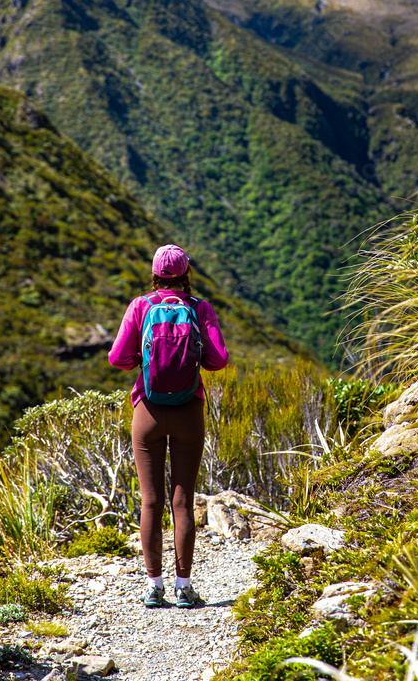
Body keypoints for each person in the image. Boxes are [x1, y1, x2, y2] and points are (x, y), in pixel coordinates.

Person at [108, 244, 229, 609]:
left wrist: (143, 359)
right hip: (189, 410)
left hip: (147, 411)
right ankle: (184, 587)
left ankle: (153, 586)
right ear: (186, 274)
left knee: (150, 500)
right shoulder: (200, 308)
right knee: (182, 501)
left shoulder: (141, 306)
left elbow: (117, 357)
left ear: (155, 274)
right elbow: (218, 360)